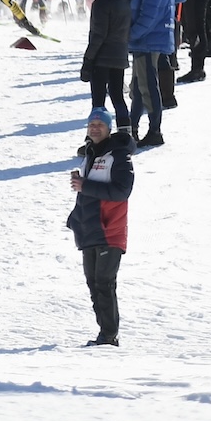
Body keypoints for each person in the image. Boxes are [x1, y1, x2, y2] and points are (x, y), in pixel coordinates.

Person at [67, 108, 133, 347]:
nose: (95, 128)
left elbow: (121, 191)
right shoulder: (90, 155)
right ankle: (105, 334)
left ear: (109, 128)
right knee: (94, 285)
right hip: (90, 229)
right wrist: (75, 218)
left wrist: (85, 186)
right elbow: (87, 193)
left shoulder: (119, 156)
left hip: (110, 229)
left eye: (100, 124)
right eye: (91, 124)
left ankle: (109, 336)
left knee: (104, 283)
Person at [127, 0, 178, 148]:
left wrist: (130, 35)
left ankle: (154, 131)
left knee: (147, 87)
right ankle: (132, 128)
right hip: (146, 40)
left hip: (148, 40)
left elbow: (149, 15)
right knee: (138, 88)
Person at [81, 0, 132, 134]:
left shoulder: (101, 3)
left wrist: (88, 60)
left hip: (101, 58)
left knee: (98, 101)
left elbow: (98, 35)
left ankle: (95, 138)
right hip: (119, 55)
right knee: (118, 96)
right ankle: (126, 131)